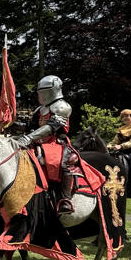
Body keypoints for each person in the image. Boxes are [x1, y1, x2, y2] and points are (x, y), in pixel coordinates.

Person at [14, 75, 75, 215]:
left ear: (53, 90)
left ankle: (65, 199)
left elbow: (51, 127)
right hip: (38, 142)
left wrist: (28, 138)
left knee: (61, 162)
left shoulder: (62, 106)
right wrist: (14, 124)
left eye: (43, 91)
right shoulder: (40, 109)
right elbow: (32, 126)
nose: (40, 94)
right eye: (39, 91)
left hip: (56, 142)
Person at [107, 109, 131, 200]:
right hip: (121, 151)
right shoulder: (121, 129)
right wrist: (108, 146)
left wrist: (121, 146)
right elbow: (114, 141)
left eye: (126, 116)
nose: (124, 118)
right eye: (123, 117)